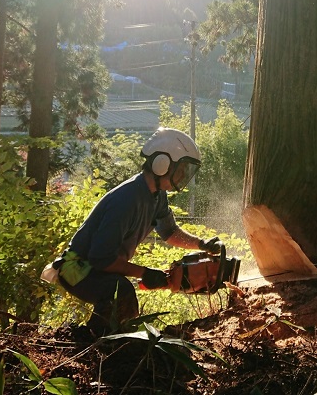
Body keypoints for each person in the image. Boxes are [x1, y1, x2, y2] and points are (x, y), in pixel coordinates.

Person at [52, 127, 223, 334]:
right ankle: (95, 342)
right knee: (121, 290)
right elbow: (101, 259)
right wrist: (144, 273)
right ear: (162, 164)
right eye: (180, 171)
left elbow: (169, 232)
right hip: (77, 270)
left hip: (98, 267)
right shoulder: (127, 199)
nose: (181, 177)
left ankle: (110, 339)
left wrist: (201, 244)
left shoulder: (157, 196)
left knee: (121, 294)